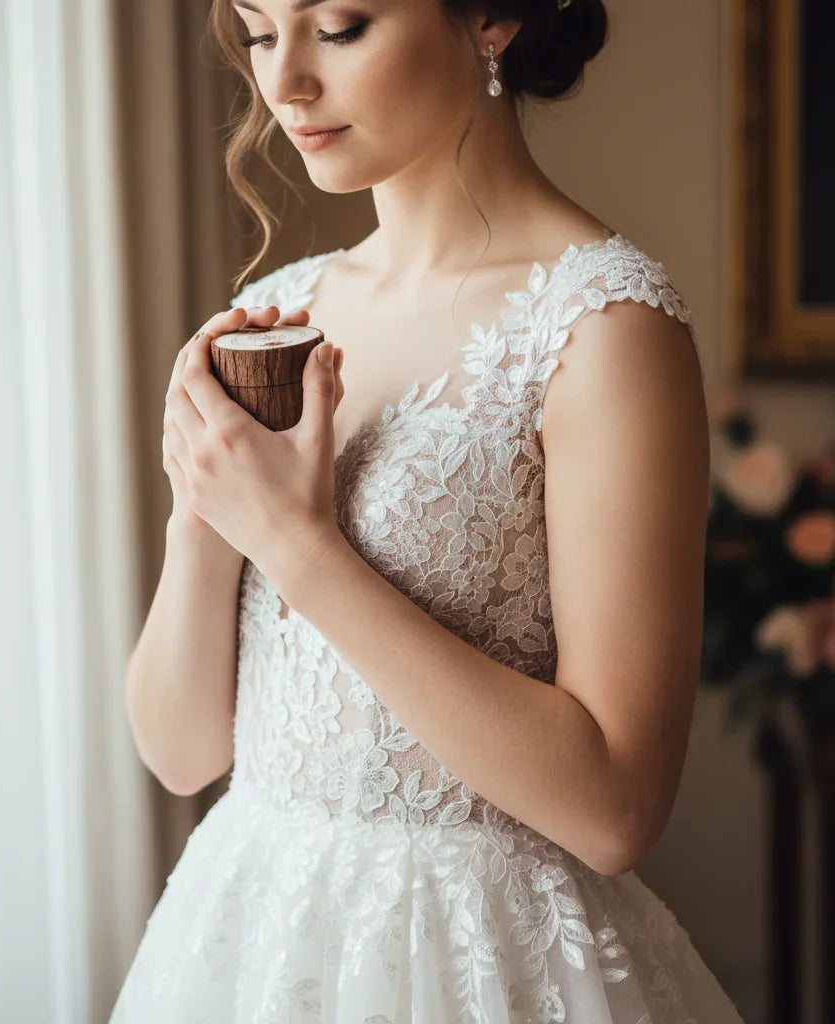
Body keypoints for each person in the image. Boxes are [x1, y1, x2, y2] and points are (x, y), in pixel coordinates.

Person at [112, 1, 748, 1020]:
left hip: (482, 960)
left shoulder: (605, 329)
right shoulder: (284, 311)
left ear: (491, 19)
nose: (284, 86)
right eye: (261, 30)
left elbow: (615, 808)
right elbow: (181, 750)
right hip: (249, 943)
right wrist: (204, 507)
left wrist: (293, 539)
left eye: (340, 25)